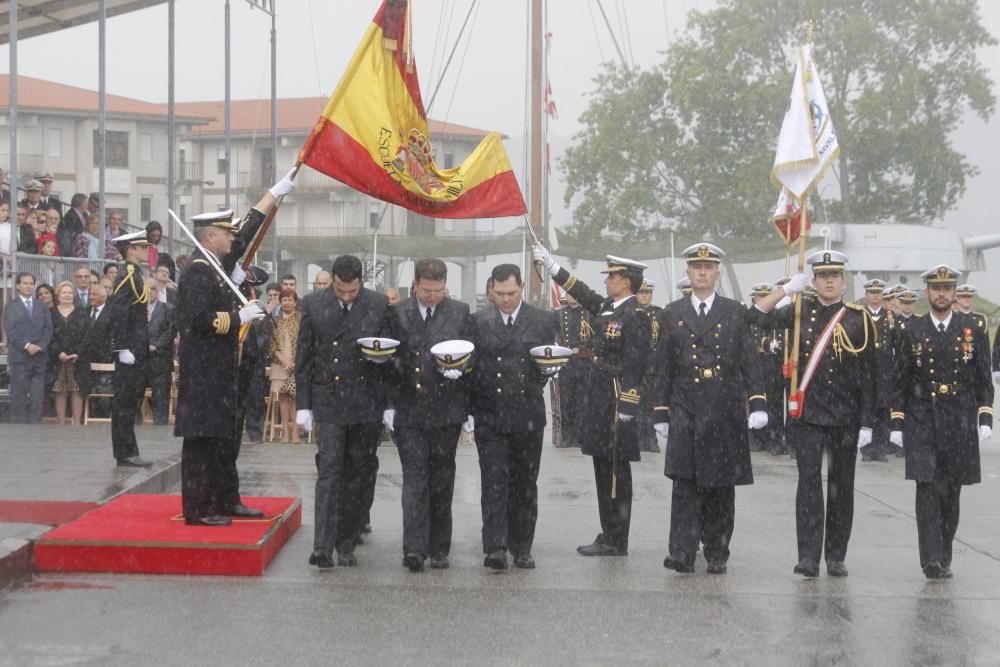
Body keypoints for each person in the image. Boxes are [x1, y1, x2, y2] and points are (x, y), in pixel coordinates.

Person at [174, 170, 294, 527]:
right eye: (226, 232)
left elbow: (246, 236)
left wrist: (273, 193)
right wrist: (237, 315)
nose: (232, 238)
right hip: (204, 371)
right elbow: (196, 321)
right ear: (211, 236)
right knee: (202, 442)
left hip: (223, 370)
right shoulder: (198, 270)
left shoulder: (217, 266)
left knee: (226, 440)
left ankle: (226, 499)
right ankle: (198, 509)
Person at [750, 250, 878, 578]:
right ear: (814, 280)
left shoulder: (858, 317)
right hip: (808, 415)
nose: (829, 281)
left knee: (841, 486)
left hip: (845, 417)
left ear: (843, 280)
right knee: (808, 485)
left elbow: (869, 374)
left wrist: (868, 421)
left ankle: (835, 555)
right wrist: (786, 291)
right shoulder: (797, 310)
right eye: (823, 276)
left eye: (835, 275)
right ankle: (808, 556)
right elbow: (756, 315)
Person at [650, 243, 768, 575]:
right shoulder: (671, 313)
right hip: (686, 401)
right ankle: (682, 550)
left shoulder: (734, 312)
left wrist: (757, 401)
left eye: (708, 266)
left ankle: (717, 549)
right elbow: (663, 366)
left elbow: (749, 359)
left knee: (720, 482)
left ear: (717, 272)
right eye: (696, 266)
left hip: (724, 403)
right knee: (684, 481)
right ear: (688, 272)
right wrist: (660, 411)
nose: (702, 272)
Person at [535, 245, 651, 559]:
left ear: (626, 281)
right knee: (602, 467)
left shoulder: (634, 315)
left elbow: (637, 363)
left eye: (612, 277)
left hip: (616, 400)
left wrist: (628, 404)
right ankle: (609, 531)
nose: (606, 282)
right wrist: (553, 267)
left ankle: (617, 537)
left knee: (616, 471)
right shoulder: (610, 308)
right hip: (600, 399)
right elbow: (583, 292)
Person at [889, 265, 993, 579]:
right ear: (927, 293)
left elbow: (982, 377)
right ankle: (930, 558)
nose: (942, 293)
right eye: (936, 288)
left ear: (954, 292)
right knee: (927, 488)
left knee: (951, 492)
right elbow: (900, 379)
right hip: (924, 417)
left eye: (947, 288)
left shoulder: (972, 327)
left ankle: (944, 552)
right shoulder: (912, 329)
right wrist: (897, 420)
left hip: (959, 418)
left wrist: (984, 414)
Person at [296, 254, 393, 567]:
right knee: (329, 472)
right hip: (330, 399)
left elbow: (392, 352)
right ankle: (322, 546)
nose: (346, 296)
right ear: (333, 282)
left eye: (352, 291)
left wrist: (389, 402)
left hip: (366, 402)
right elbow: (305, 357)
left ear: (360, 283)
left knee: (358, 474)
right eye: (340, 290)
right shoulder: (313, 304)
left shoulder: (378, 304)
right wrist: (304, 406)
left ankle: (347, 541)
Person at [386, 258, 473, 572]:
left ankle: (439, 548)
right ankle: (414, 548)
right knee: (414, 482)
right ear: (415, 285)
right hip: (409, 409)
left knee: (442, 480)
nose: (432, 296)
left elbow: (471, 357)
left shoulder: (459, 312)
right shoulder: (397, 313)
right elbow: (389, 360)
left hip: (445, 409)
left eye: (438, 290)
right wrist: (388, 404)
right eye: (426, 290)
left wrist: (462, 381)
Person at [468, 263, 557, 569]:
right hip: (490, 412)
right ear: (491, 289)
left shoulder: (543, 320)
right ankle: (495, 545)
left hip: (527, 414)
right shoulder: (478, 321)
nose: (506, 299)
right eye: (500, 293)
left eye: (512, 293)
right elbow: (472, 367)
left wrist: (550, 369)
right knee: (493, 481)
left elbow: (549, 358)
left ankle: (522, 546)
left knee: (524, 482)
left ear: (522, 288)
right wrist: (469, 411)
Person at [106, 231, 154, 467]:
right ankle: (125, 452)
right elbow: (118, 315)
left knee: (129, 402)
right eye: (143, 246)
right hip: (129, 351)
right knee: (124, 402)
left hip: (136, 349)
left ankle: (128, 450)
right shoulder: (128, 276)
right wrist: (121, 348)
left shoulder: (136, 275)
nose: (147, 250)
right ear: (131, 250)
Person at [5, 272, 53, 423]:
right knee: (18, 397)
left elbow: (48, 329)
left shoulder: (42, 306)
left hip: (39, 358)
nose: (28, 286)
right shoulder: (10, 306)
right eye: (24, 283)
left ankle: (35, 431)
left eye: (31, 283)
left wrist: (39, 346)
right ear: (18, 285)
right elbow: (11, 331)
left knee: (37, 397)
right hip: (19, 358)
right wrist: (26, 345)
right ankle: (19, 433)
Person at [554, 291, 592, 449]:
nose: (573, 296)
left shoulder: (589, 313)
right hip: (566, 362)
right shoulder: (559, 314)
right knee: (566, 400)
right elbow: (554, 336)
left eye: (574, 293)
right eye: (569, 294)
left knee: (582, 400)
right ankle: (567, 436)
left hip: (584, 361)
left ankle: (581, 436)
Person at [48, 281, 89, 425]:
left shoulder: (81, 312)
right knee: (60, 391)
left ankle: (77, 423)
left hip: (77, 359)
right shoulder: (51, 313)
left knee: (76, 390)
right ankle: (60, 423)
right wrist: (58, 352)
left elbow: (86, 335)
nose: (67, 295)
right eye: (64, 292)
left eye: (70, 293)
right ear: (58, 295)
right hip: (58, 359)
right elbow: (49, 335)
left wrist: (78, 353)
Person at [269, 288, 303, 443]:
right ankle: (285, 432)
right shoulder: (275, 321)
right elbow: (271, 344)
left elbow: (305, 341)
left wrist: (296, 362)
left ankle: (295, 432)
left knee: (296, 398)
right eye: (284, 300)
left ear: (295, 302)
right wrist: (283, 360)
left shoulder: (301, 319)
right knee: (283, 397)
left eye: (290, 300)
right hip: (279, 362)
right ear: (280, 302)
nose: (287, 303)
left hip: (298, 363)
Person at [142, 278, 176, 425]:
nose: (149, 292)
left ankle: (160, 425)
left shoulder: (167, 309)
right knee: (136, 396)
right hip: (140, 359)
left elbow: (171, 330)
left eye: (153, 288)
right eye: (146, 288)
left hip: (160, 360)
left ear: (158, 291)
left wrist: (157, 345)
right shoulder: (136, 309)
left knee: (160, 396)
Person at [635, 279, 662, 454]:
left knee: (651, 404)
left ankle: (650, 438)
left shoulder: (660, 314)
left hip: (653, 365)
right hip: (635, 365)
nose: (644, 295)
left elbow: (663, 340)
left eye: (647, 293)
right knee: (635, 403)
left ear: (651, 295)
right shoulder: (630, 312)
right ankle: (637, 439)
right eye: (641, 292)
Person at [57, 194, 87, 258]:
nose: (87, 206)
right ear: (82, 204)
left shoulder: (84, 215)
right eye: (86, 203)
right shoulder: (70, 216)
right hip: (73, 250)